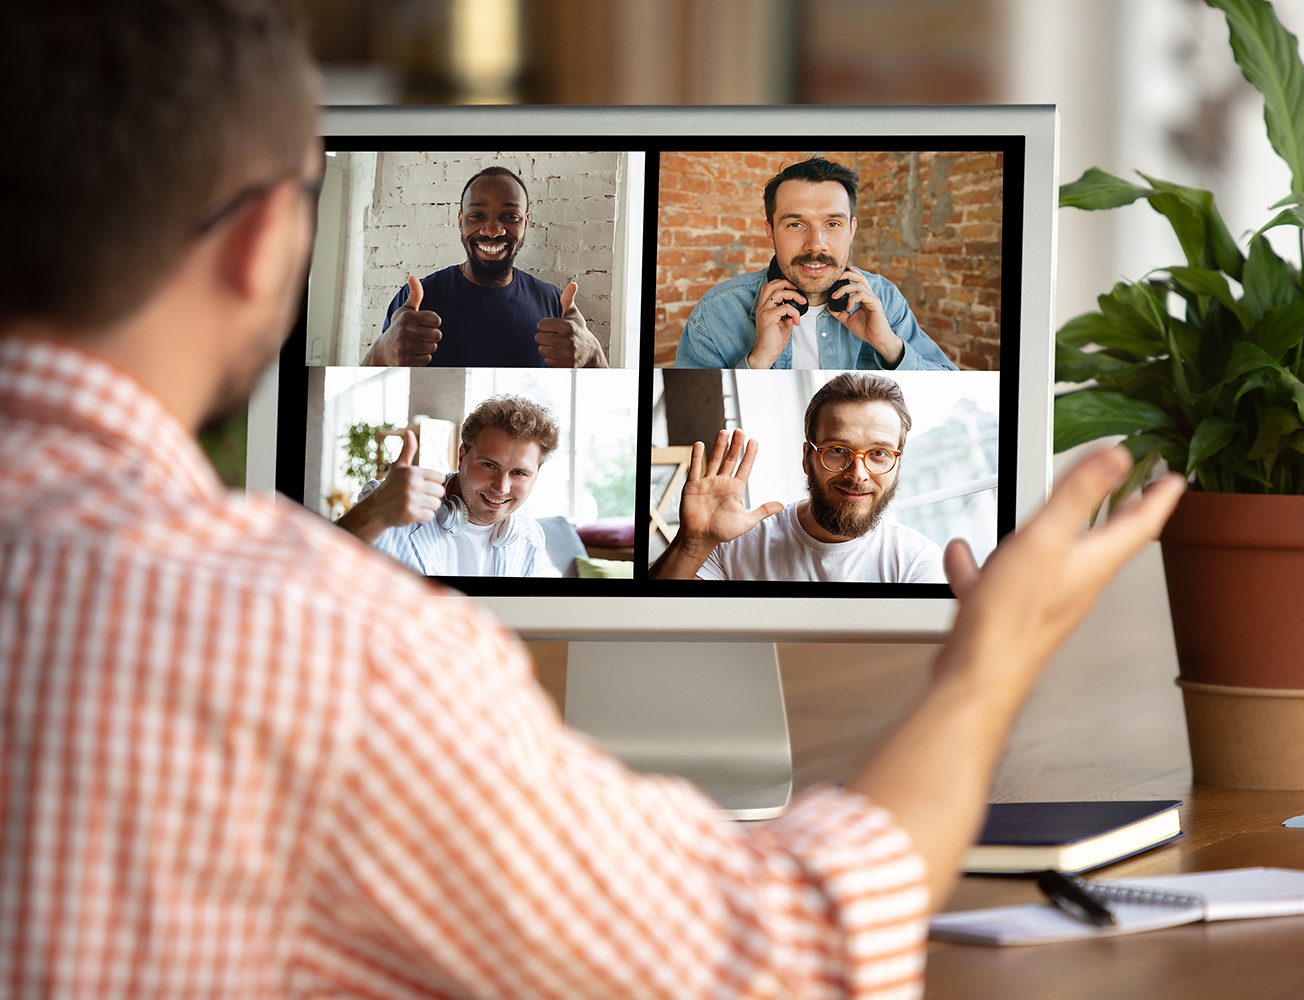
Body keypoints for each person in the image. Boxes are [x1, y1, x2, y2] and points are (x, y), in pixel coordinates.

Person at [0, 3, 1185, 996]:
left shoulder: (531, 507)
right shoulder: (330, 643)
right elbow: (789, 956)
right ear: (268, 244)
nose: (857, 472)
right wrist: (993, 657)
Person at [649, 373, 946, 582]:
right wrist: (692, 543)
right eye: (838, 450)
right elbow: (652, 624)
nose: (858, 474)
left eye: (879, 453)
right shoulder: (733, 541)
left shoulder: (917, 563)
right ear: (807, 457)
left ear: (898, 461)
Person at [673, 156, 959, 371]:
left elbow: (949, 387)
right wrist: (758, 360)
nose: (816, 244)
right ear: (770, 231)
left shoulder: (884, 298)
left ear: (852, 230)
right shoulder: (714, 314)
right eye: (796, 224)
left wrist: (889, 346)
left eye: (833, 224)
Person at [362, 166, 608, 369]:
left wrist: (593, 353)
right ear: (461, 220)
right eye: (477, 215)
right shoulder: (415, 300)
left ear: (526, 222)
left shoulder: (554, 301)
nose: (493, 230)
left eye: (510, 217)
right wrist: (381, 352)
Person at [336, 396, 563, 577]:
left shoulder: (530, 537)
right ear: (461, 456)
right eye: (489, 465)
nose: (501, 488)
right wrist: (372, 513)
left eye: (519, 473)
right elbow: (318, 570)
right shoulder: (388, 502)